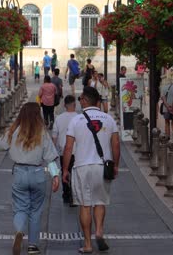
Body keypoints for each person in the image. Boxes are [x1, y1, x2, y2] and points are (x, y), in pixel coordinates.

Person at [0, 102, 59, 255]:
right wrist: (55, 175)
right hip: (37, 173)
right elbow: (50, 157)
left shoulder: (14, 131)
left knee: (20, 207)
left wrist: (8, 134)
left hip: (19, 173)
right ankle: (32, 245)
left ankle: (19, 231)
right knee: (36, 210)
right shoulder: (42, 132)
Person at [63, 87, 120, 253]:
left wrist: (65, 169)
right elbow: (116, 144)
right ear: (97, 102)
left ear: (85, 101)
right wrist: (115, 165)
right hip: (102, 166)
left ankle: (88, 244)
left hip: (82, 167)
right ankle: (100, 231)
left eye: (81, 99)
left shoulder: (76, 120)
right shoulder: (109, 119)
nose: (79, 101)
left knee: (85, 205)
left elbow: (68, 147)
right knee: (100, 202)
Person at [52, 95, 77, 205]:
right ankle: (74, 194)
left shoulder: (59, 118)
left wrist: (52, 152)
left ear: (64, 105)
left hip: (63, 151)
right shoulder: (80, 118)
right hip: (77, 151)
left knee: (65, 172)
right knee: (75, 173)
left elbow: (54, 136)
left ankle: (66, 194)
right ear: (75, 105)